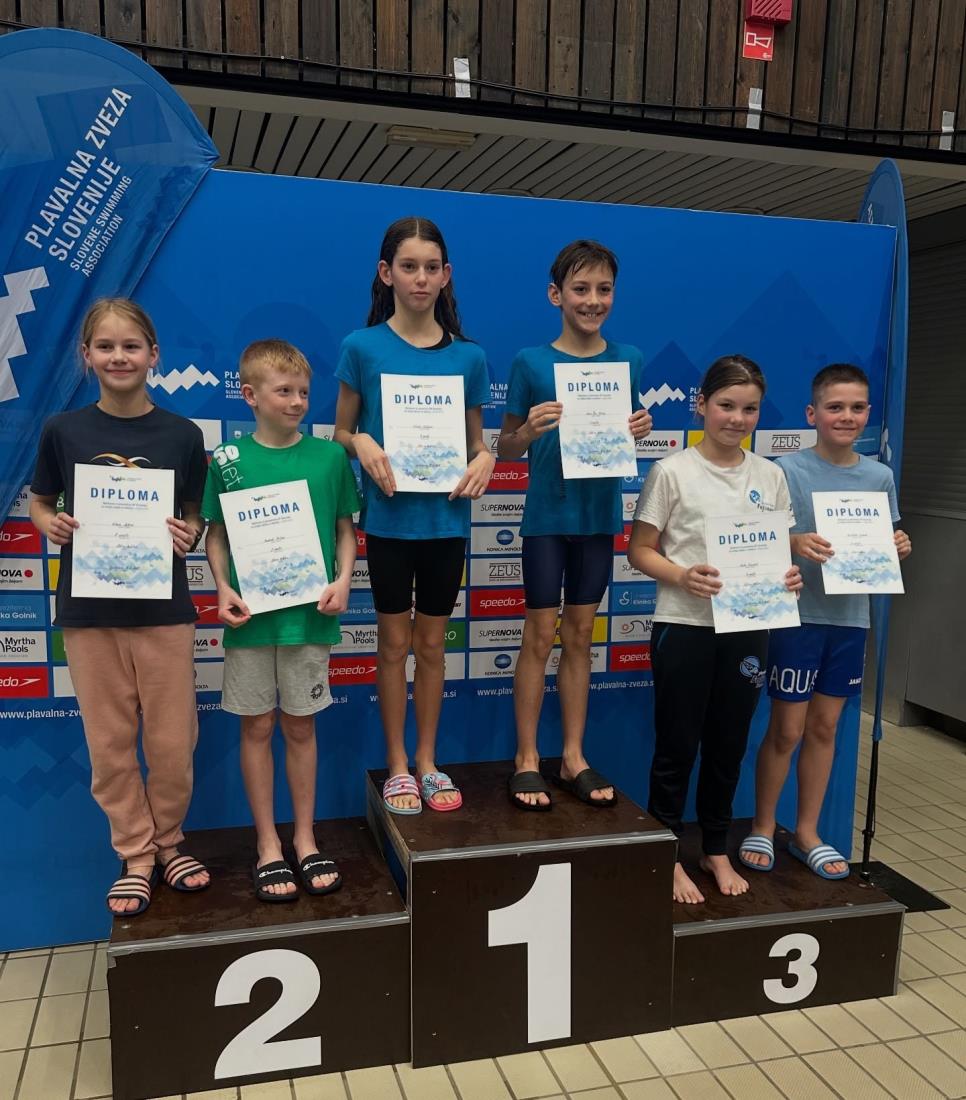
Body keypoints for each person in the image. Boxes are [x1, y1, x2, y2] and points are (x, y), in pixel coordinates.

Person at [30, 298, 210, 916]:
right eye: (105, 347)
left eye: (131, 346)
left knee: (173, 744)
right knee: (109, 745)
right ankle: (136, 854)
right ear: (86, 356)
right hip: (89, 615)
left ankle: (170, 841)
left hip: (164, 613)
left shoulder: (183, 435)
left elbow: (194, 515)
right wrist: (49, 524)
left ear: (154, 354)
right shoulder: (62, 430)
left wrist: (189, 533)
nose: (119, 357)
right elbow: (41, 501)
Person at [628, 354, 802, 904]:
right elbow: (639, 551)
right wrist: (682, 575)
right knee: (677, 745)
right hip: (685, 625)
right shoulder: (671, 471)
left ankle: (715, 847)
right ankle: (666, 851)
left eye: (750, 409)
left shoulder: (770, 475)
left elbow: (778, 551)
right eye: (726, 405)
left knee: (729, 743)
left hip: (748, 628)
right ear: (701, 405)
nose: (737, 418)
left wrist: (788, 576)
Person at [334, 217, 493, 815]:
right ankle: (397, 764)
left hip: (446, 525)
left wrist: (485, 459)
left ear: (446, 275)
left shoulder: (470, 357)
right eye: (408, 267)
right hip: (390, 524)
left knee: (431, 646)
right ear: (386, 274)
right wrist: (360, 442)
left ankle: (427, 761)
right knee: (392, 644)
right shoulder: (361, 347)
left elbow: (478, 443)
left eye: (431, 268)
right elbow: (341, 432)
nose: (420, 278)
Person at [739, 364, 911, 880]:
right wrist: (792, 541)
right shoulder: (785, 470)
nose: (847, 416)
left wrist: (898, 546)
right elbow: (753, 541)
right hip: (796, 617)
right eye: (835, 407)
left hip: (851, 619)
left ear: (868, 414)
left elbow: (884, 542)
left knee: (825, 726)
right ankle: (764, 825)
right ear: (812, 414)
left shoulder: (879, 476)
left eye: (857, 408)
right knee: (787, 729)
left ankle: (807, 831)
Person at [203, 339, 359, 902]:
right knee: (256, 728)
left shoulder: (329, 458)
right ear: (250, 395)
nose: (296, 402)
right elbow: (216, 534)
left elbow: (345, 529)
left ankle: (305, 838)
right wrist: (222, 587)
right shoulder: (227, 461)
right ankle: (267, 843)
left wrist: (344, 579)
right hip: (250, 621)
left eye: (304, 393)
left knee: (300, 727)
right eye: (284, 391)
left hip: (308, 620)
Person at [499, 240, 652, 810]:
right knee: (539, 635)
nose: (593, 300)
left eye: (603, 289)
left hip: (598, 517)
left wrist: (638, 429)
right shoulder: (530, 362)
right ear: (555, 295)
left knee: (582, 636)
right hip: (547, 518)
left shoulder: (629, 359)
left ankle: (572, 757)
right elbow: (506, 448)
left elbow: (622, 434)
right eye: (581, 289)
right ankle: (526, 759)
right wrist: (528, 431)